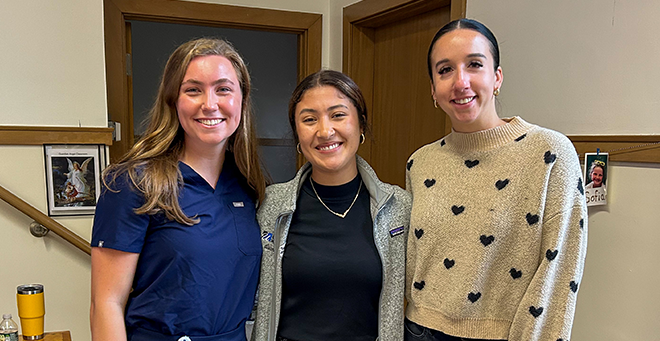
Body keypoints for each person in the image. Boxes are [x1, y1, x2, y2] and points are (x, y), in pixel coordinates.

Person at [404, 19, 588, 341]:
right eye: (445, 70)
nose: (461, 82)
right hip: (418, 331)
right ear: (433, 88)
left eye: (474, 64)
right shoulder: (420, 163)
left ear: (497, 77)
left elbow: (560, 272)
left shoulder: (549, 153)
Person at [90, 38, 267, 341]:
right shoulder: (133, 183)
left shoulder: (249, 185)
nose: (209, 104)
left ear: (242, 100)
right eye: (193, 89)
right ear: (173, 100)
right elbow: (106, 303)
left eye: (223, 89)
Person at [251, 70, 411, 341]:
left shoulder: (398, 208)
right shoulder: (271, 206)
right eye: (309, 119)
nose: (325, 131)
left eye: (338, 115)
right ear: (297, 135)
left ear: (360, 125)